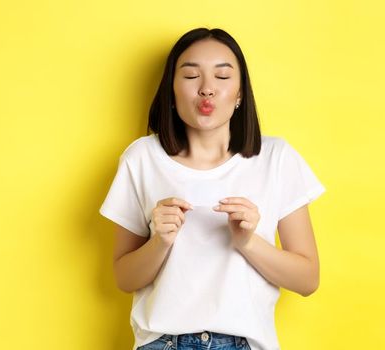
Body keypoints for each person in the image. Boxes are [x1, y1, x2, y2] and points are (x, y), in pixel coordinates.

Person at [99, 27, 325, 350]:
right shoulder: (142, 158)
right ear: (172, 92)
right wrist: (159, 243)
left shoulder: (276, 158)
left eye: (222, 78)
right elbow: (124, 278)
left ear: (240, 94)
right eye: (191, 76)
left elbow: (308, 279)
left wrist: (248, 242)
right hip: (162, 343)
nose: (207, 90)